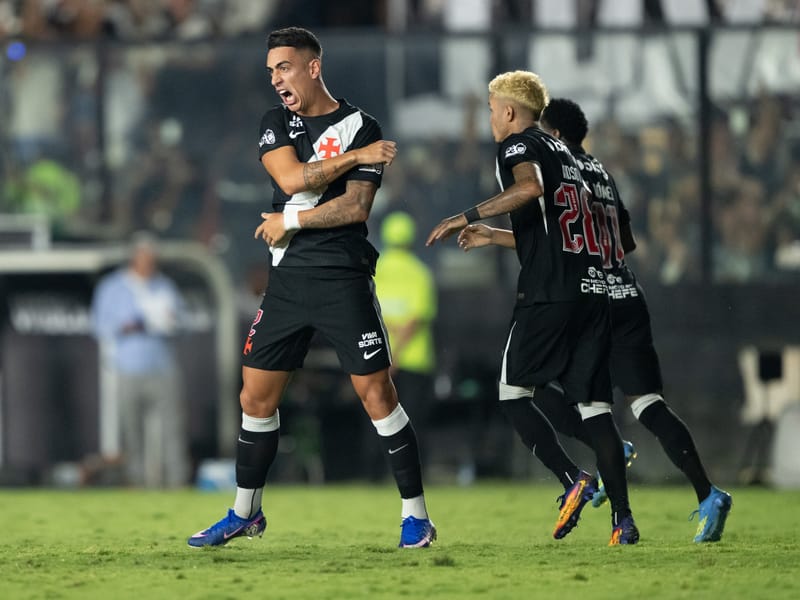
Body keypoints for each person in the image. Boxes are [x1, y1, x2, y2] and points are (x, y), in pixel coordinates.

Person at [188, 27, 435, 549]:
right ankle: (244, 511)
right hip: (288, 280)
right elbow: (290, 180)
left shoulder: (361, 123)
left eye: (284, 66)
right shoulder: (276, 122)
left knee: (377, 394)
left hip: (343, 277)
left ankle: (416, 516)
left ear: (313, 66)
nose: (277, 78)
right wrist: (351, 160)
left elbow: (356, 208)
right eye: (271, 70)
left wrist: (293, 222)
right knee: (254, 397)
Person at [427, 71, 638, 545]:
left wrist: (466, 216)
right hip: (592, 291)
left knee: (512, 393)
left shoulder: (518, 146)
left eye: (490, 108)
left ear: (507, 111)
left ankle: (573, 480)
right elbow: (557, 234)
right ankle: (623, 521)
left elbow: (529, 189)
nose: (489, 118)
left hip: (548, 295)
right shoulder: (568, 153)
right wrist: (497, 236)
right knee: (592, 406)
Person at [533, 97, 731, 542]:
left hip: (590, 300)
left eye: (544, 134)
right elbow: (627, 241)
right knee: (648, 406)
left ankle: (620, 503)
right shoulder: (603, 172)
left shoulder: (560, 170)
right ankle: (708, 493)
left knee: (542, 387)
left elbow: (558, 239)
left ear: (558, 136)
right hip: (627, 293)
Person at [90, 232, 189, 488]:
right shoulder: (112, 287)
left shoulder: (165, 286)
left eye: (152, 257)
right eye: (144, 256)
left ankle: (177, 481)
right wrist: (126, 326)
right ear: (133, 257)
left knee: (172, 428)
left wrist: (168, 321)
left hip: (162, 366)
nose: (148, 261)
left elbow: (182, 322)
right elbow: (100, 326)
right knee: (131, 430)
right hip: (127, 368)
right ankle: (135, 482)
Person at [368, 211, 437, 478]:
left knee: (378, 418)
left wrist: (388, 354)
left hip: (377, 357)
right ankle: (414, 475)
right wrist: (398, 354)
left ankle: (373, 476)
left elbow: (371, 312)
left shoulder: (376, 269)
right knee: (414, 422)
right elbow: (418, 318)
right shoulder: (420, 273)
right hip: (415, 361)